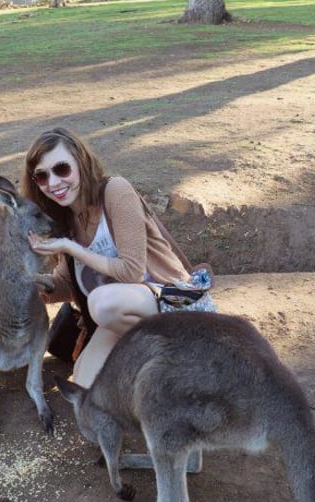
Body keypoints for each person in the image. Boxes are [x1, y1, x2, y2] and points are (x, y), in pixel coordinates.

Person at [22, 127, 203, 388]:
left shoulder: (115, 191)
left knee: (101, 302)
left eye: (61, 169)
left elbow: (133, 271)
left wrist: (74, 249)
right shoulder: (66, 220)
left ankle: (182, 364)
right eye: (42, 176)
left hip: (172, 302)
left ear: (81, 163)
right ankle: (147, 378)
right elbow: (64, 286)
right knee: (85, 385)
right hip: (120, 318)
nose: (53, 183)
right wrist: (26, 279)